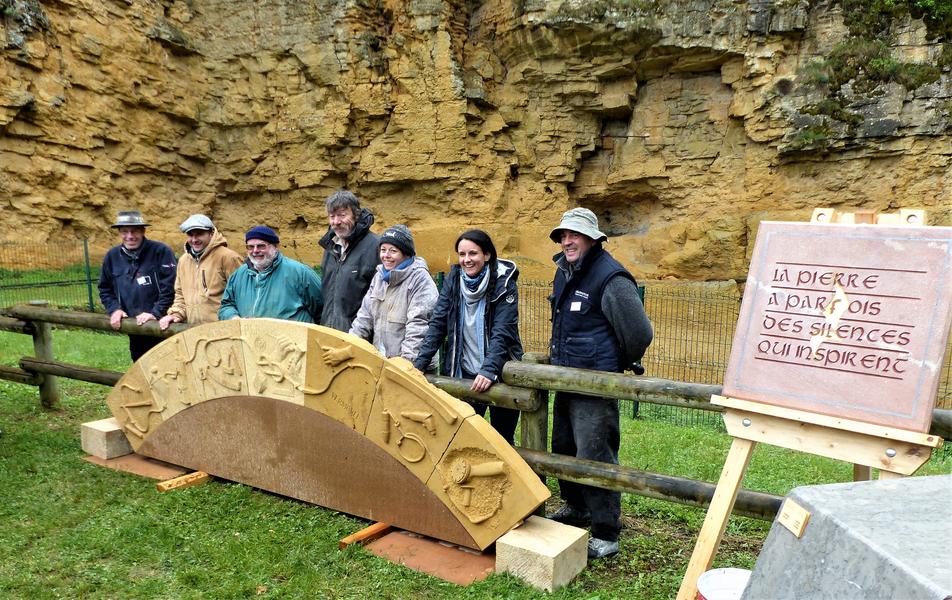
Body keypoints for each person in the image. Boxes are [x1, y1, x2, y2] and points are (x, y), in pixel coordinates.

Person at [544, 207, 653, 560]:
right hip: (567, 376)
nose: (567, 240)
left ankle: (606, 532)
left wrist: (614, 364)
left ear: (594, 238)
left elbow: (639, 333)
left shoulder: (611, 277)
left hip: (595, 384)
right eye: (563, 235)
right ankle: (576, 509)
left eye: (574, 234)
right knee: (563, 447)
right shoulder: (564, 271)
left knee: (596, 455)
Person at [413, 230, 523, 444]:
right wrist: (419, 364)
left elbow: (503, 331)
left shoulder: (504, 283)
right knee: (464, 438)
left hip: (498, 373)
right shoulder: (454, 279)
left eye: (473, 253)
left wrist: (489, 369)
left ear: (487, 255)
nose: (466, 260)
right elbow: (438, 323)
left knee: (502, 441)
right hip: (464, 372)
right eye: (462, 254)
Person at [349, 225, 438, 362]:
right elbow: (364, 317)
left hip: (413, 365)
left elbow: (419, 326)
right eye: (383, 250)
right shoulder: (380, 276)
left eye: (393, 251)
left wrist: (406, 363)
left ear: (406, 253)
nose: (386, 256)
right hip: (384, 360)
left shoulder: (420, 279)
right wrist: (350, 346)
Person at [98, 210, 177, 361]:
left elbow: (171, 286)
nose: (130, 236)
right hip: (134, 326)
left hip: (163, 325)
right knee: (141, 370)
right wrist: (115, 309)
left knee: (170, 369)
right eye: (125, 231)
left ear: (143, 231)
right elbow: (105, 288)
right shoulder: (112, 256)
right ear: (119, 233)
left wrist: (156, 312)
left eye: (134, 231)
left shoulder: (161, 251)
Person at [218, 225, 324, 322]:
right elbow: (227, 305)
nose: (255, 251)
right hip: (251, 341)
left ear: (276, 247)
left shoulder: (300, 273)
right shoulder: (239, 275)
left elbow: (324, 309)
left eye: (261, 246)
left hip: (290, 342)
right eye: (250, 247)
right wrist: (234, 318)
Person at [158, 214, 244, 330]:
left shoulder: (228, 257)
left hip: (224, 330)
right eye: (190, 235)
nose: (194, 239)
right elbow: (180, 294)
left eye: (199, 234)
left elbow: (242, 295)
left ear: (211, 233)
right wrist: (176, 313)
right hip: (194, 331)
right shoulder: (184, 260)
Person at [318, 190, 380, 332]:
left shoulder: (375, 246)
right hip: (330, 333)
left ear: (356, 215)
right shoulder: (330, 247)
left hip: (361, 337)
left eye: (342, 215)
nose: (336, 222)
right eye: (332, 216)